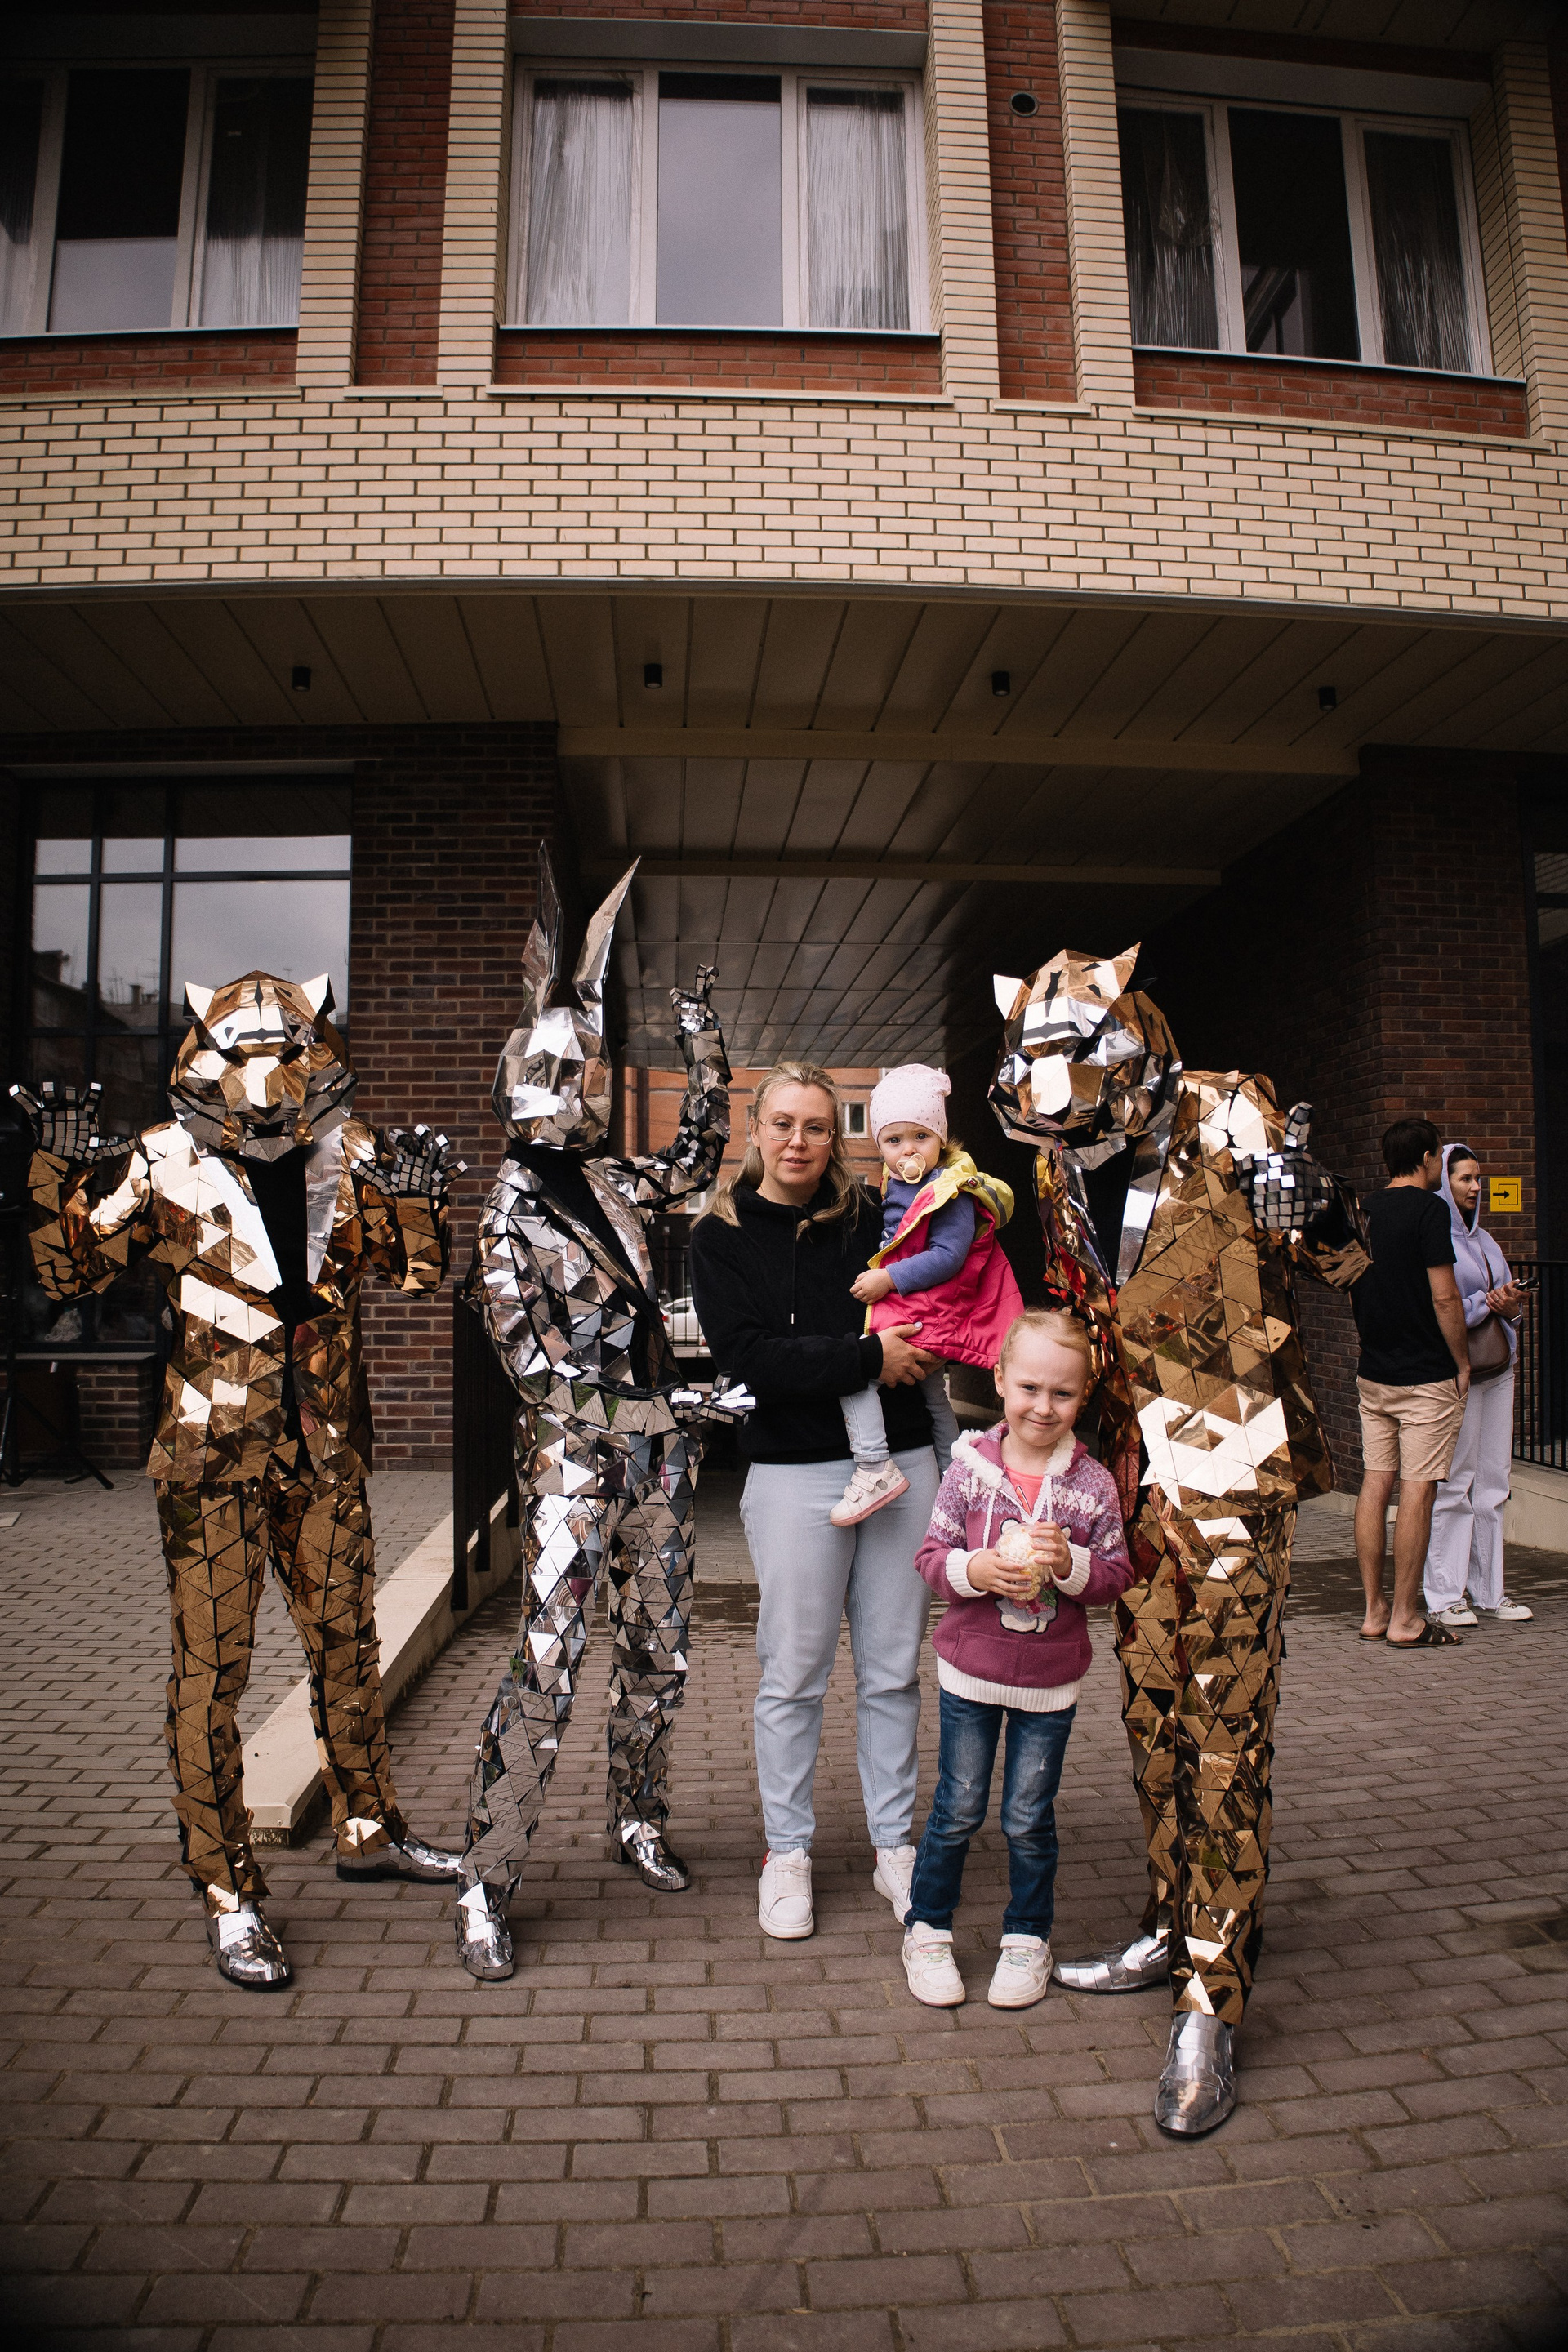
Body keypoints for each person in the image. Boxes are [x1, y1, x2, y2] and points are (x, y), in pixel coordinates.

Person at [15, 973, 463, 1991]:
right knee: (213, 1670)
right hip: (210, 1456)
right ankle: (225, 1886)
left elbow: (419, 1274)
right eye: (244, 1054)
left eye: (285, 1052)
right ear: (207, 1056)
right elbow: (69, 1275)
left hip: (326, 1445)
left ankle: (369, 1826)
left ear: (314, 1051)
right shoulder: (163, 1157)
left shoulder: (354, 1151)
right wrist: (55, 1171)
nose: (266, 1080)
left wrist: (420, 1204)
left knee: (349, 1645)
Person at [988, 943, 1366, 2137]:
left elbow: (1344, 1258)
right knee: (1153, 1715)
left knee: (1223, 1724)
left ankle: (1212, 1995)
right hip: (1129, 1478)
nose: (1069, 1138)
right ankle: (1172, 1918)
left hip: (1234, 1466)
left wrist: (1313, 1202)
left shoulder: (1230, 1108)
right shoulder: (1056, 1155)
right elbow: (1081, 1306)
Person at [452, 853, 738, 1983]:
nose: (566, 1086)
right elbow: (535, 1375)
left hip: (660, 1469)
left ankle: (638, 1818)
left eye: (580, 1069)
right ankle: (486, 1881)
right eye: (549, 1068)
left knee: (659, 1655)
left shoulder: (615, 1182)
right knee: (547, 1666)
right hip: (575, 1469)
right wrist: (673, 1404)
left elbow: (698, 1163)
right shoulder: (502, 1222)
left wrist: (705, 1053)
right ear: (514, 1075)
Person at [689, 1063, 939, 1940]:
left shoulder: (877, 1216)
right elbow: (749, 1359)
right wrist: (867, 1359)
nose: (799, 1141)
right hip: (795, 1472)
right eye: (784, 1123)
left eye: (819, 1126)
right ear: (754, 1129)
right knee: (793, 1675)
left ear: (837, 1138)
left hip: (903, 1462)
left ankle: (894, 1847)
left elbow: (936, 1299)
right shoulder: (719, 1236)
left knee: (892, 1673)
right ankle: (787, 1852)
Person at [899, 1311, 1133, 2011]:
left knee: (1029, 1817)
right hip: (970, 1672)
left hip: (1050, 1682)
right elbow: (931, 1558)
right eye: (1030, 1387)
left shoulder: (1093, 1485)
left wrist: (1072, 1564)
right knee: (957, 1807)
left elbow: (1117, 1575)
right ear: (1000, 1380)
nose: (1043, 1406)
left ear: (1083, 1397)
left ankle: (1028, 1937)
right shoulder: (967, 1470)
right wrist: (975, 1570)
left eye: (1063, 1393)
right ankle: (927, 1929)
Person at [834, 1062, 1024, 1523]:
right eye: (893, 1140)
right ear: (879, 1146)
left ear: (940, 1138)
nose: (908, 1150)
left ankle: (874, 1465)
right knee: (933, 1397)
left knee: (857, 1374)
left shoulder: (949, 1190)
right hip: (923, 1308)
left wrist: (888, 1279)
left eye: (920, 1136)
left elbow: (948, 1256)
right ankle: (958, 1478)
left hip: (926, 1310)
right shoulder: (901, 1183)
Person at [1351, 1117, 1472, 1649]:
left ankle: (1374, 1611)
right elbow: (1445, 1296)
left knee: (1375, 1483)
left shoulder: (1362, 1210)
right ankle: (1405, 1618)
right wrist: (1462, 1361)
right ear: (1426, 1158)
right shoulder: (1430, 1209)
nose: (1439, 1164)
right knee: (1417, 1490)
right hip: (1425, 1375)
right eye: (1439, 1156)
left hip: (1374, 1371)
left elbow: (1351, 1282)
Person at [1425, 1143, 1532, 1629]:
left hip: (1499, 1367)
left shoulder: (1487, 1240)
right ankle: (1444, 1596)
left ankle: (1490, 1591)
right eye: (1464, 1178)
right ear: (1445, 1184)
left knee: (1494, 1483)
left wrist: (1511, 1308)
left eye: (1477, 1179)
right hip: (1460, 1370)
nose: (1474, 1187)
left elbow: (1506, 1306)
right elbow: (1440, 1307)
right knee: (1455, 1483)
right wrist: (1484, 1304)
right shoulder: (1437, 1240)